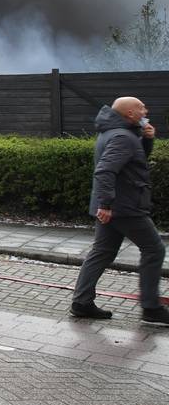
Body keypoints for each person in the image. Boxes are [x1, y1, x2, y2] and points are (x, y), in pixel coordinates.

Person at [70, 97, 169, 325]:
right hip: (125, 207)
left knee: (102, 251)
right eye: (141, 107)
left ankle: (82, 302)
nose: (146, 110)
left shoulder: (116, 132)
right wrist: (106, 205)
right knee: (154, 250)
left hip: (115, 205)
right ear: (130, 114)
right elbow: (105, 171)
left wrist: (147, 140)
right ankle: (151, 308)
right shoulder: (123, 137)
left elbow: (134, 161)